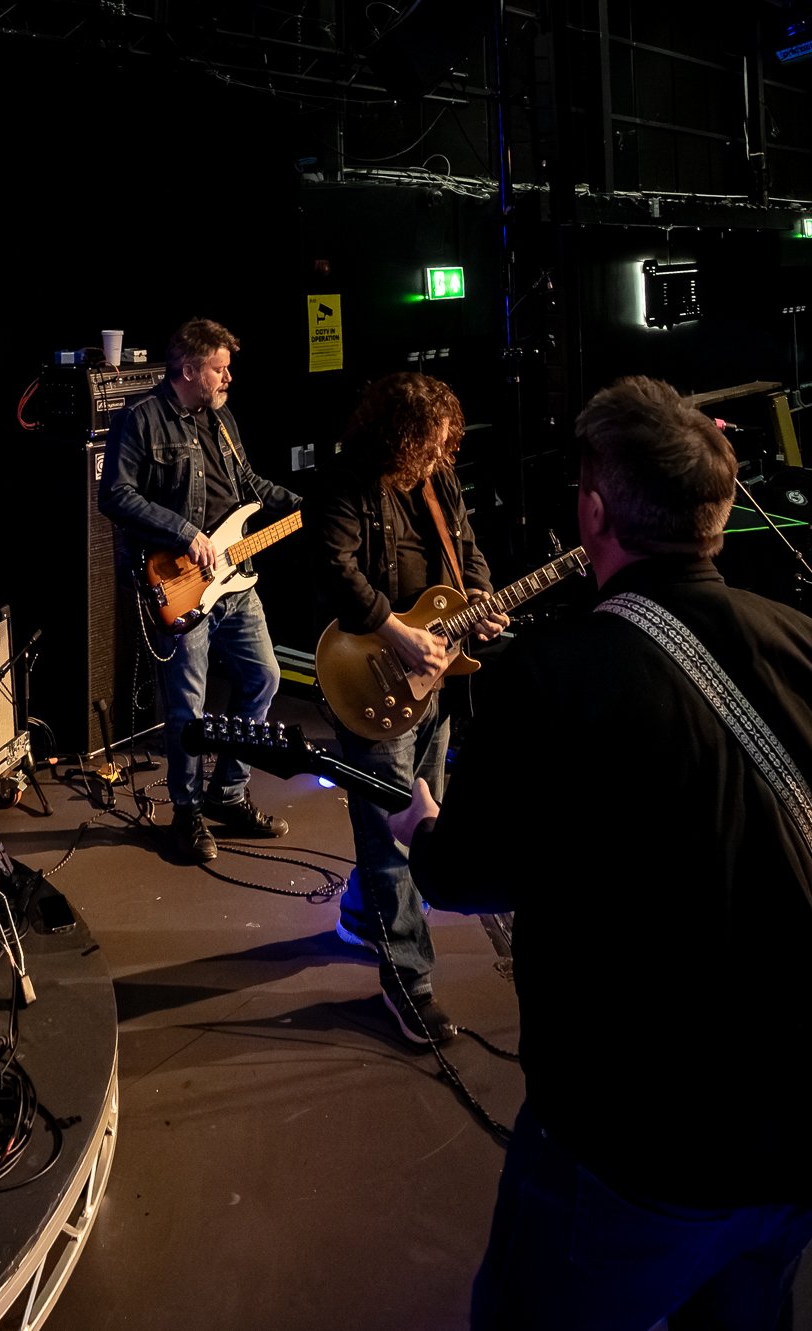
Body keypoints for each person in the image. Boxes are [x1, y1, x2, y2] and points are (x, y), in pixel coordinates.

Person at [384, 376, 812, 1330]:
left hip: (643, 1149)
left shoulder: (550, 676)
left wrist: (422, 828)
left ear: (593, 512)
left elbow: (470, 874)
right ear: (715, 511)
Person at [311, 371, 508, 1046]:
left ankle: (364, 917)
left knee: (416, 820)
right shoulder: (347, 480)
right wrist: (397, 631)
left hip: (436, 681)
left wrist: (477, 601)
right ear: (396, 436)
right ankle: (410, 984)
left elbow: (468, 547)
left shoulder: (436, 481)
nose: (435, 457)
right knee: (394, 839)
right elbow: (337, 567)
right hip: (372, 674)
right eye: (425, 445)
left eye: (442, 445)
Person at [98, 318, 301, 862]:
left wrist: (299, 504)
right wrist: (185, 532)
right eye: (218, 367)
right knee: (188, 702)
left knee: (264, 676)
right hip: (183, 582)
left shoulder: (222, 418)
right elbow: (114, 496)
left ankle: (228, 794)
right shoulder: (140, 421)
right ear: (188, 370)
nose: (227, 375)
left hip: (236, 577)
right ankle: (186, 814)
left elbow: (247, 485)